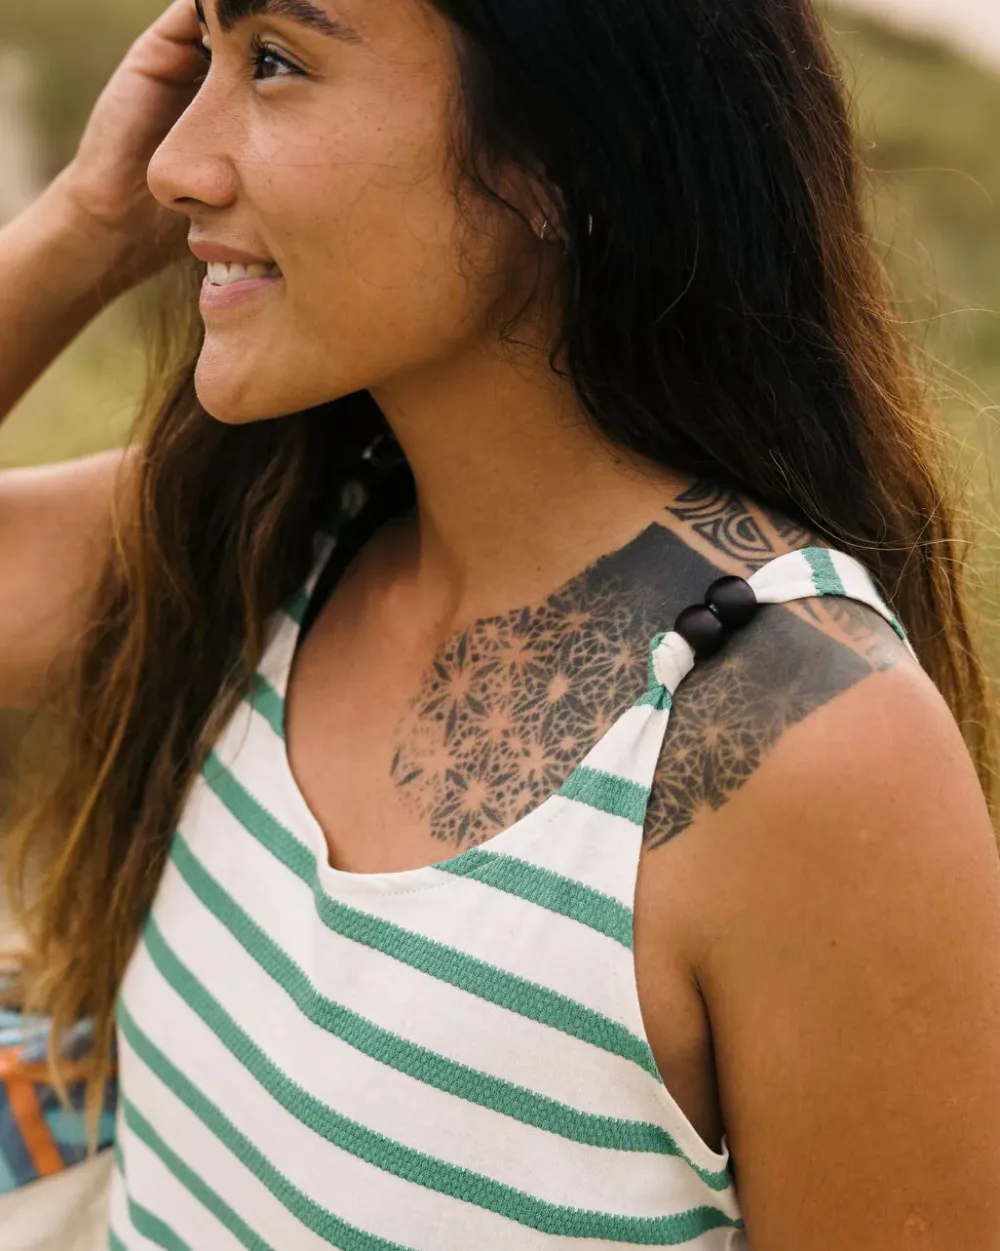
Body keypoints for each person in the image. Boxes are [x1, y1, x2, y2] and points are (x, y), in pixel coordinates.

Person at [0, 0, 998, 1245]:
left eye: (276, 62)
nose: (172, 165)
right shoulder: (268, 547)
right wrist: (83, 228)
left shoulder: (805, 745)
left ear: (556, 157)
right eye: (204, 56)